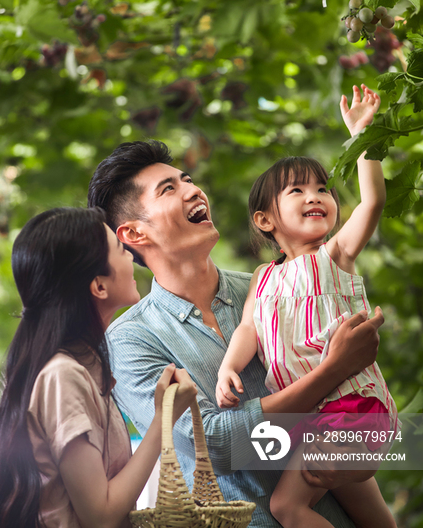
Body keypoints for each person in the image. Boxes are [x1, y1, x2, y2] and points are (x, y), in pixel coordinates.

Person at [87, 135, 384, 528]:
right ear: (135, 234)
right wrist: (334, 368)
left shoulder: (276, 285)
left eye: (188, 179)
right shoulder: (129, 341)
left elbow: (338, 412)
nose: (193, 189)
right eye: (170, 189)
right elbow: (213, 445)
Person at [216, 85, 398, 528]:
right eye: (297, 190)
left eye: (323, 189)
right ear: (265, 220)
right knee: (379, 521)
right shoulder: (262, 279)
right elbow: (248, 330)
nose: (315, 196)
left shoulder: (334, 256)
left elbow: (372, 202)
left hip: (351, 406)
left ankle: (363, 457)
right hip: (314, 415)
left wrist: (362, 136)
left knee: (286, 508)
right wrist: (228, 366)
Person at [0, 207, 197, 528]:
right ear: (99, 286)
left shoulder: (83, 368)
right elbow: (100, 515)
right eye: (119, 249)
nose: (129, 255)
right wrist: (163, 421)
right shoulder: (63, 375)